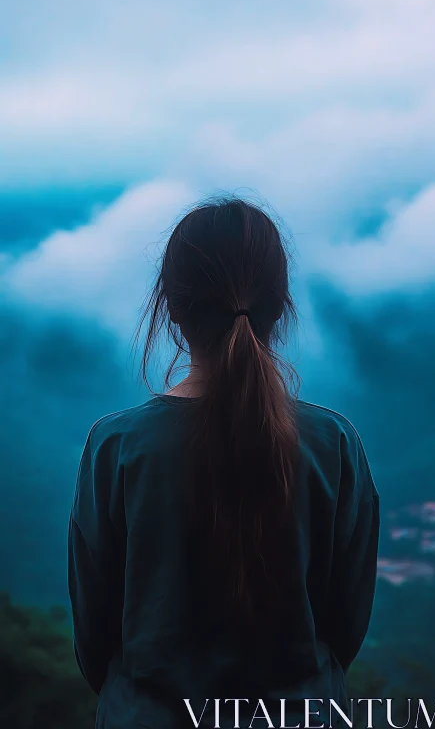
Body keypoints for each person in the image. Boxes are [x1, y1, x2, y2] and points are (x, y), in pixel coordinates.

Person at [68, 196, 380, 729]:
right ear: (279, 305)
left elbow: (95, 631)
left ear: (171, 307)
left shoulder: (116, 448)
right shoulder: (333, 444)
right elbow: (346, 622)